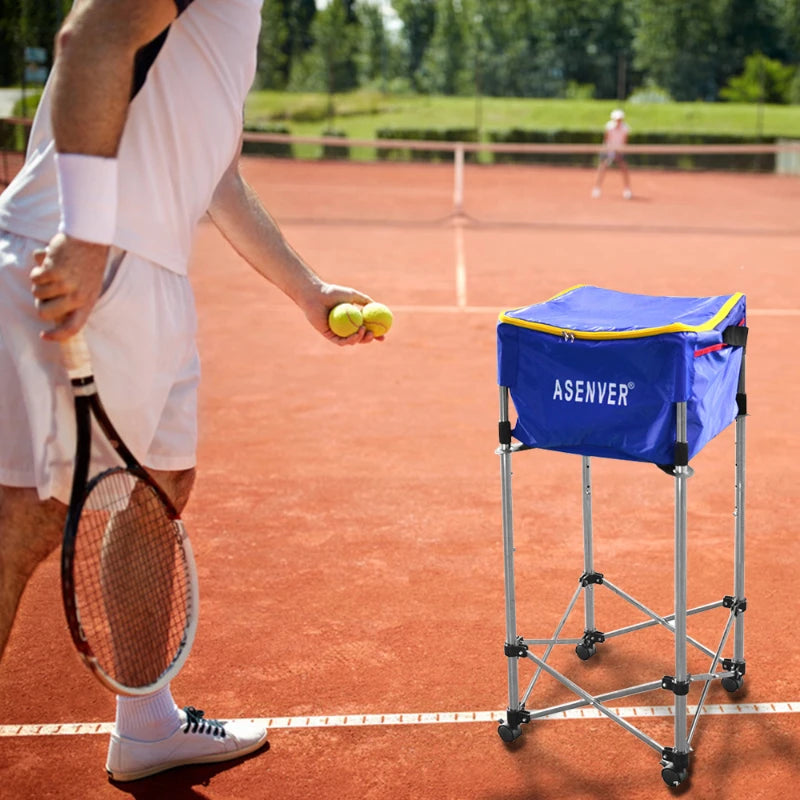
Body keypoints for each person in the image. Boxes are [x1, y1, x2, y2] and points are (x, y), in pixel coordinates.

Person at [0, 0, 381, 782]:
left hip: (149, 272)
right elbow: (93, 35)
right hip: (95, 256)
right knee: (23, 518)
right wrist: (86, 233)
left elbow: (220, 180)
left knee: (160, 485)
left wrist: (307, 292)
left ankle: (147, 725)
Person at [592, 108, 633, 200]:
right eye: (616, 119)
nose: (618, 121)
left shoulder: (625, 128)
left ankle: (627, 189)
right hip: (608, 149)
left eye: (619, 119)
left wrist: (619, 151)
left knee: (624, 168)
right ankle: (597, 188)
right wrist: (609, 152)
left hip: (619, 150)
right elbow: (606, 139)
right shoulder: (609, 126)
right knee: (602, 168)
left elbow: (624, 141)